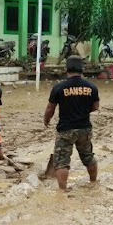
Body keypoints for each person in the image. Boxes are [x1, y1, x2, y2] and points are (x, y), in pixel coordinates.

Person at [43, 56, 99, 190]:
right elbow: (96, 106)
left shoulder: (59, 87)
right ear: (82, 69)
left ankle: (62, 191)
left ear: (67, 69)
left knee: (61, 161)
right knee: (88, 157)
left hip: (66, 129)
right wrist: (84, 111)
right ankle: (93, 182)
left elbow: (50, 108)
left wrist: (46, 120)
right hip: (85, 128)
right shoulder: (91, 87)